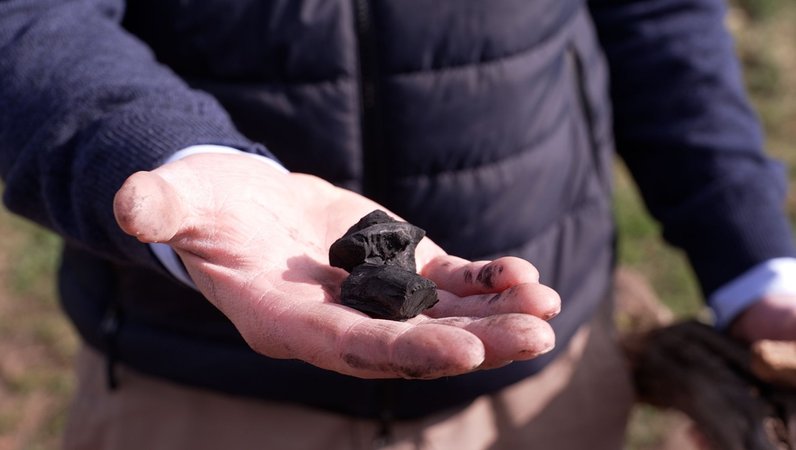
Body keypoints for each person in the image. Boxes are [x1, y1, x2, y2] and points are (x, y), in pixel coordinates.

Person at [1, 0, 795, 449]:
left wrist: (752, 258)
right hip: (194, 387)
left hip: (543, 380)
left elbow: (657, 15)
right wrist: (177, 153)